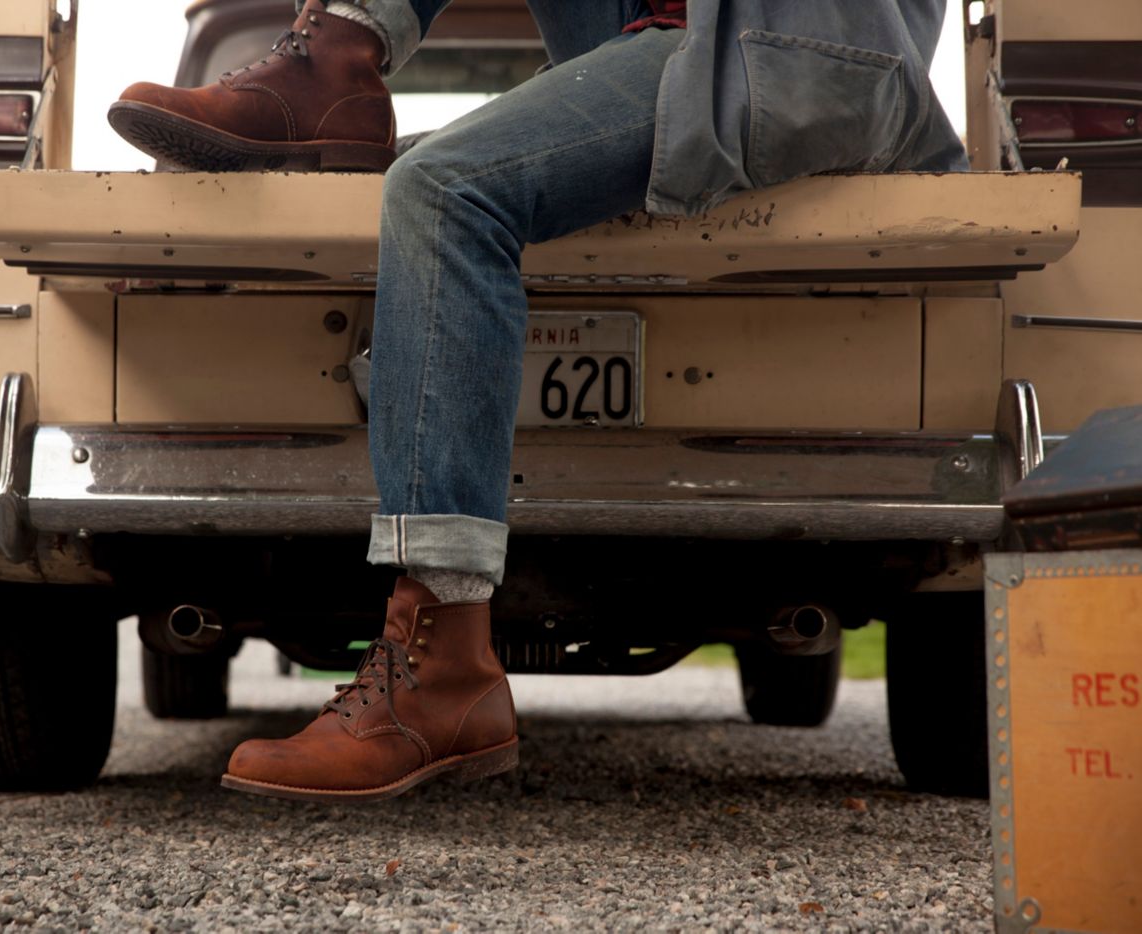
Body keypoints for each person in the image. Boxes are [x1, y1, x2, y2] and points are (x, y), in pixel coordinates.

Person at [108, 0, 967, 802]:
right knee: (431, 173)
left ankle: (441, 659)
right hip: (668, 28)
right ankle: (331, 62)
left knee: (440, 190)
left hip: (787, 45)